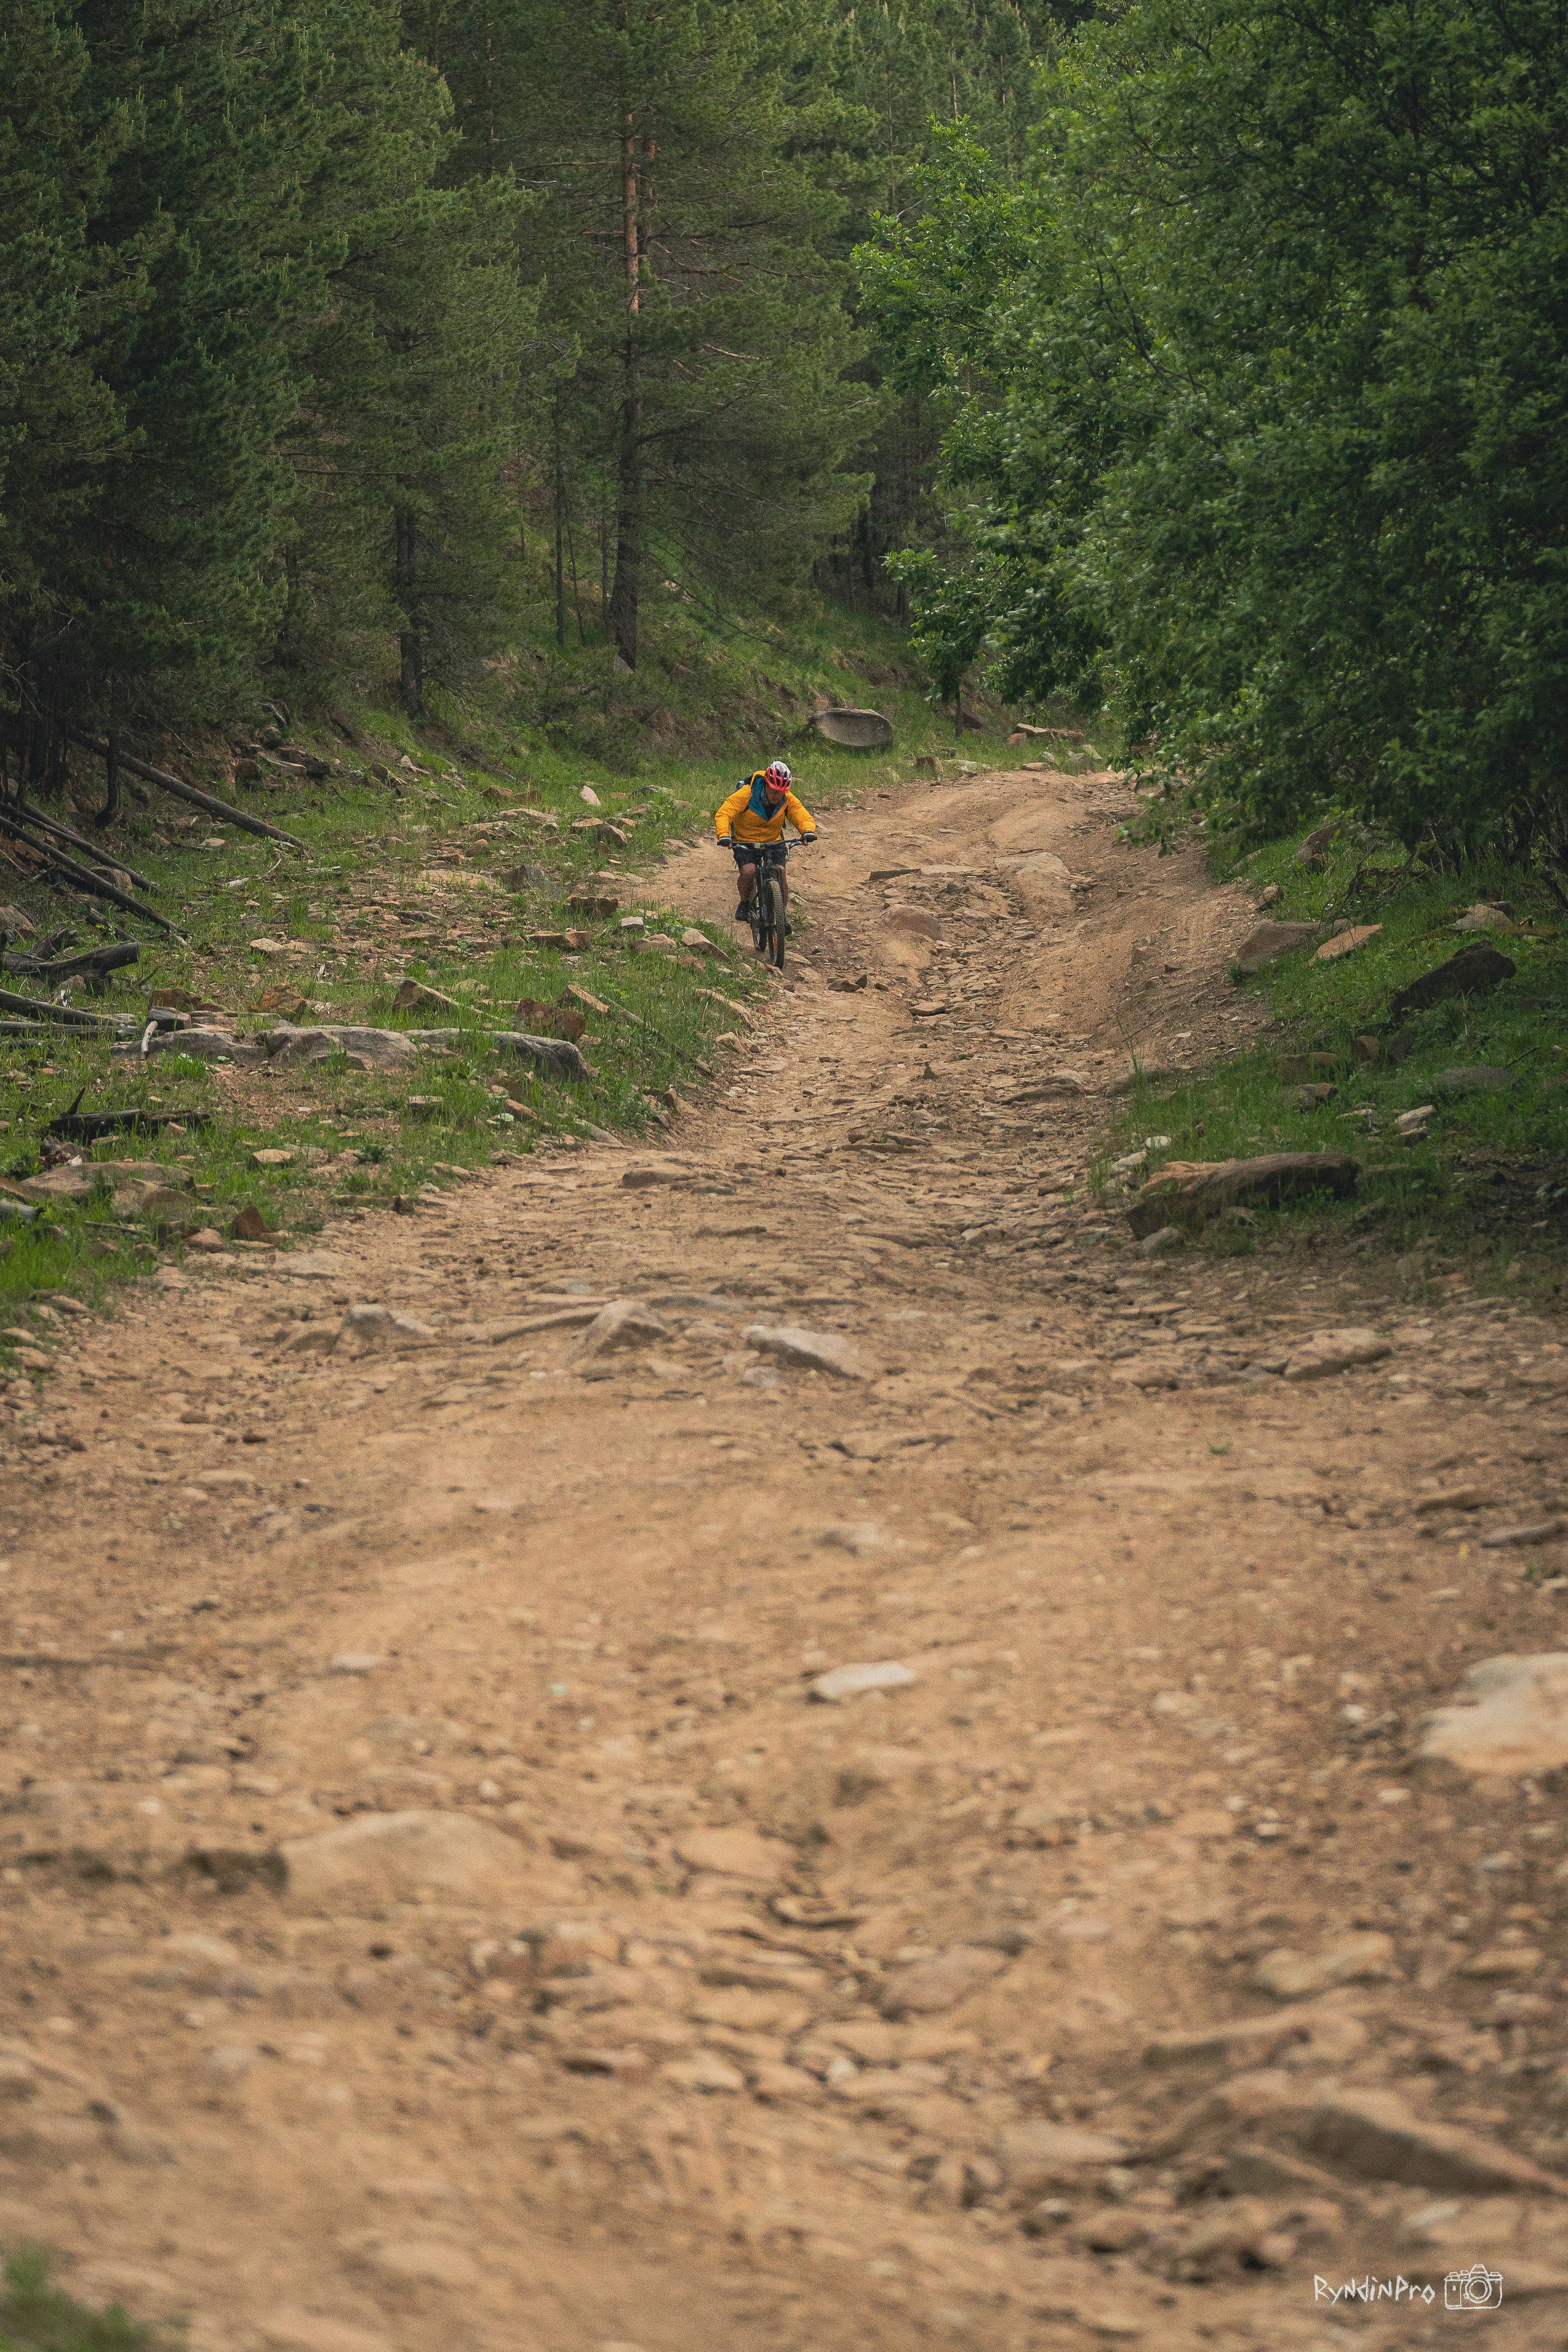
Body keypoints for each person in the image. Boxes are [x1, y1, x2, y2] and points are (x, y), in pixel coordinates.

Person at [714, 760, 816, 927]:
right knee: (749, 871)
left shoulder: (787, 799)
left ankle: (781, 917)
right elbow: (725, 813)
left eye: (781, 792)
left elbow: (801, 815)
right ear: (766, 784)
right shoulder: (747, 794)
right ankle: (745, 902)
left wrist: (807, 831)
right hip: (745, 840)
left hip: (773, 840)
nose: (777, 795)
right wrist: (724, 835)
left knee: (780, 872)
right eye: (774, 790)